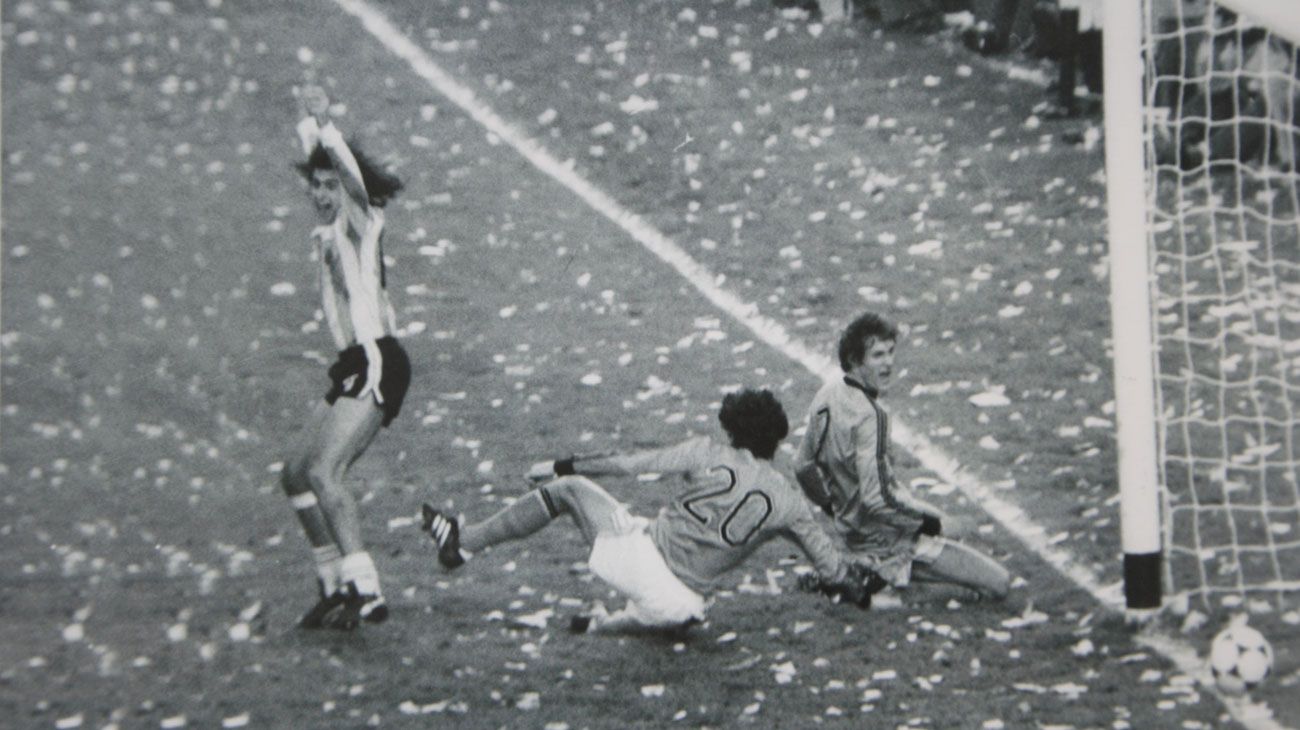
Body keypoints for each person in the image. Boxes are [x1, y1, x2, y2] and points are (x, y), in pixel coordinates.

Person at [422, 389, 882, 634]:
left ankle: (464, 543)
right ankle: (608, 626)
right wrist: (858, 585)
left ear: (733, 431)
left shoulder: (706, 452)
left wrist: (559, 464)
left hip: (647, 564)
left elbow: (628, 463)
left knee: (568, 491)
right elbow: (831, 566)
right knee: (661, 586)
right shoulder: (788, 501)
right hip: (686, 602)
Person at [280, 84, 411, 630]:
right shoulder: (332, 225)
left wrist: (325, 124)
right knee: (294, 475)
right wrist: (309, 128)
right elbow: (328, 167)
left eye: (331, 185)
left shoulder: (360, 222)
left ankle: (366, 588)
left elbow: (350, 179)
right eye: (317, 186)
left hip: (378, 358)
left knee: (324, 472)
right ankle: (334, 583)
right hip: (353, 365)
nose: (323, 194)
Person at [792, 312, 1011, 601]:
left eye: (891, 352)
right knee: (999, 582)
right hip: (887, 537)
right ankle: (865, 575)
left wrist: (831, 507)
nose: (888, 363)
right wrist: (930, 526)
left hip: (852, 529)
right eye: (878, 355)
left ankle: (854, 569)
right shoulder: (873, 417)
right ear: (856, 361)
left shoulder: (827, 394)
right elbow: (877, 500)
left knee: (951, 528)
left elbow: (802, 466)